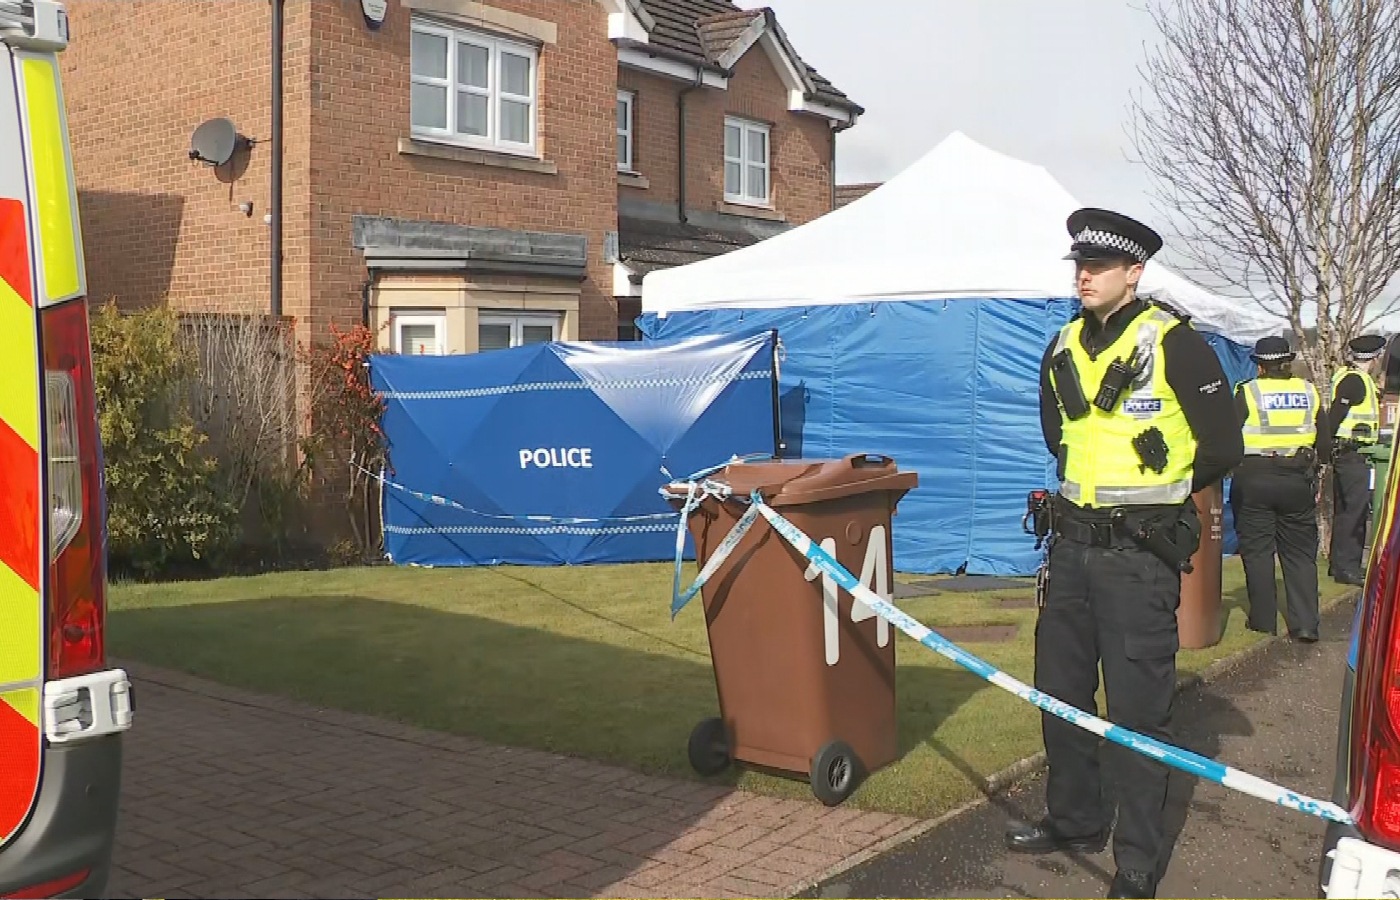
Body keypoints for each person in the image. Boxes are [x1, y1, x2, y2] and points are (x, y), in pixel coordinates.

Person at [1009, 208, 1244, 899]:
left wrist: (1159, 493)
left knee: (1139, 712)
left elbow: (1224, 446)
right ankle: (1075, 820)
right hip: (1072, 552)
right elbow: (1058, 436)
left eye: (1099, 267)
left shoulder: (1172, 342)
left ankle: (1137, 858)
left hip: (1139, 560)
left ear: (1133, 273)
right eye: (1079, 265)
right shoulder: (1061, 346)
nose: (1083, 276)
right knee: (1062, 696)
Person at [1229, 335, 1355, 642]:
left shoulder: (1247, 392)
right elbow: (1323, 444)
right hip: (1296, 478)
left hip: (1254, 477)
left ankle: (1263, 622)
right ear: (1288, 362)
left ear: (1259, 366)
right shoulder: (1308, 392)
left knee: (1258, 552)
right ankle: (1306, 624)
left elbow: (1230, 438)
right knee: (1299, 554)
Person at [1329, 334, 1387, 584]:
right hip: (1353, 454)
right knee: (1354, 512)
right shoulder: (1354, 381)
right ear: (1374, 358)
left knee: (1345, 511)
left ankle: (1340, 565)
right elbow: (1335, 416)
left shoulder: (1353, 378)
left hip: (1348, 453)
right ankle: (1348, 567)